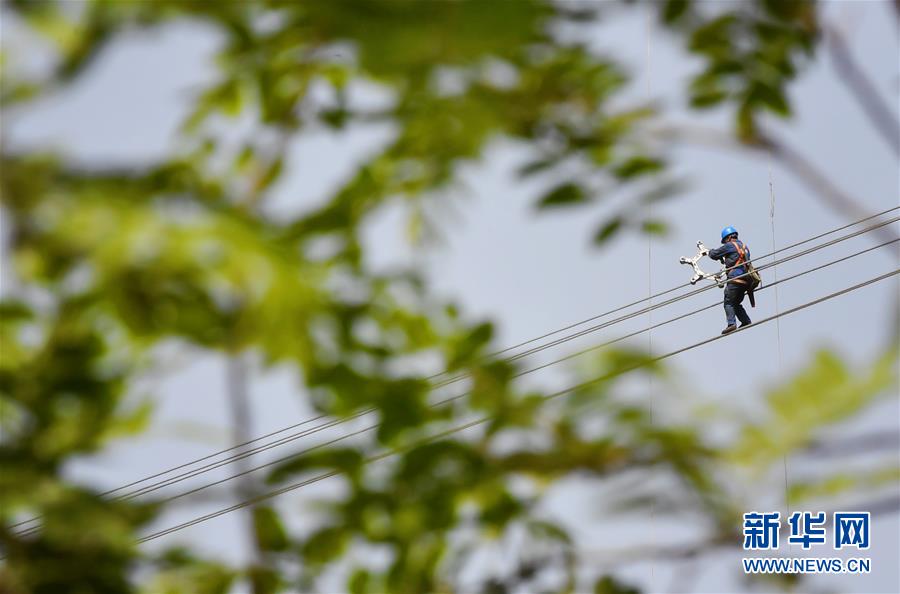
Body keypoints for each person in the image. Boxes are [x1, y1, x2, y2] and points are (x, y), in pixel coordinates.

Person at [707, 226, 753, 335]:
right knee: (736, 303)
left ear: (728, 238)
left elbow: (714, 254)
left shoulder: (730, 245)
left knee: (728, 302)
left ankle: (731, 324)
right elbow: (736, 259)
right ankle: (745, 320)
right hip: (746, 281)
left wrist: (709, 251)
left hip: (735, 280)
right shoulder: (745, 247)